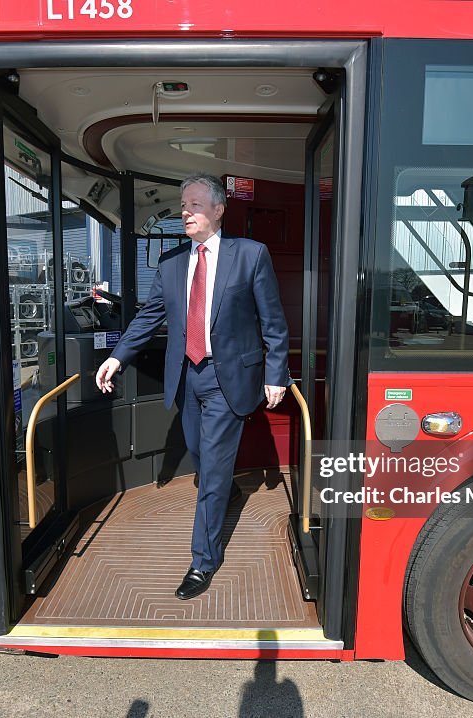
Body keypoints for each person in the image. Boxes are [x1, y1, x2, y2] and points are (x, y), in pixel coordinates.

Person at [95, 174, 290, 600]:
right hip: (187, 377)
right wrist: (116, 357)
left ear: (218, 210)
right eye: (183, 205)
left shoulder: (250, 256)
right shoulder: (171, 264)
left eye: (195, 205)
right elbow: (147, 319)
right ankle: (227, 488)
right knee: (201, 455)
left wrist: (277, 373)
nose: (186, 212)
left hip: (229, 377)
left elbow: (273, 322)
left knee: (213, 470)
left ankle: (204, 560)